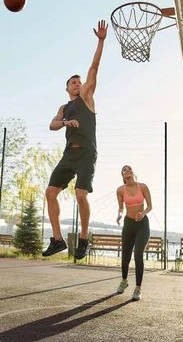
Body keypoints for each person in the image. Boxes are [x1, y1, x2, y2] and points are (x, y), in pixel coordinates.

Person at [43, 20, 108, 260]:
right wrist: (65, 123)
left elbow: (94, 67)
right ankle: (58, 240)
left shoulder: (87, 98)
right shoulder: (64, 107)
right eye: (74, 83)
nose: (78, 84)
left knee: (81, 194)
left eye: (80, 83)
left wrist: (100, 41)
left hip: (86, 154)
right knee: (50, 192)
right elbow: (52, 125)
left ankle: (83, 239)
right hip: (69, 155)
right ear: (68, 88)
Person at [115, 165, 153, 301]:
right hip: (128, 224)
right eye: (124, 169)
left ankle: (138, 289)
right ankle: (124, 281)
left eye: (129, 168)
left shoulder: (142, 187)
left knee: (138, 254)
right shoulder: (120, 190)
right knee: (125, 255)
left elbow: (150, 206)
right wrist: (119, 215)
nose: (127, 170)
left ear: (132, 172)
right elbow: (121, 208)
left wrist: (142, 213)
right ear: (122, 175)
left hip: (142, 225)